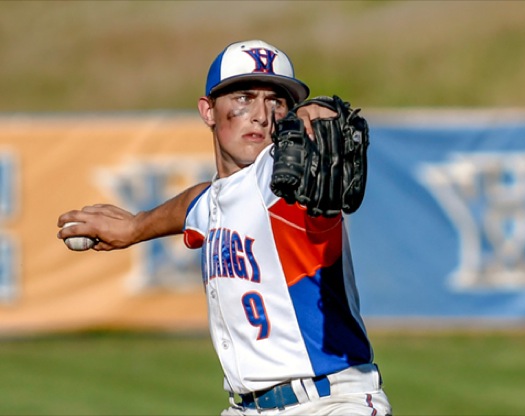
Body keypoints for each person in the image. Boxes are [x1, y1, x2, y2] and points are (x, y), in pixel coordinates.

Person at [57, 39, 392, 416]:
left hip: (330, 404)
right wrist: (136, 226)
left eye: (276, 102)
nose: (261, 115)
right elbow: (195, 204)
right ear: (208, 111)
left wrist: (318, 111)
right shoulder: (214, 200)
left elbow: (319, 126)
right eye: (244, 98)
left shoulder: (284, 182)